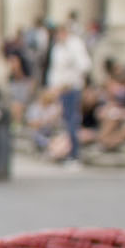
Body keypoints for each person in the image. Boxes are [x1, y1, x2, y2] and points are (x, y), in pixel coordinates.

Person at [46, 20, 93, 164]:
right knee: (66, 121)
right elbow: (54, 70)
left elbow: (84, 66)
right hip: (61, 89)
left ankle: (74, 155)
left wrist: (69, 82)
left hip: (72, 88)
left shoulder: (75, 45)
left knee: (73, 121)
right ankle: (67, 152)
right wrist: (53, 87)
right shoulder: (58, 48)